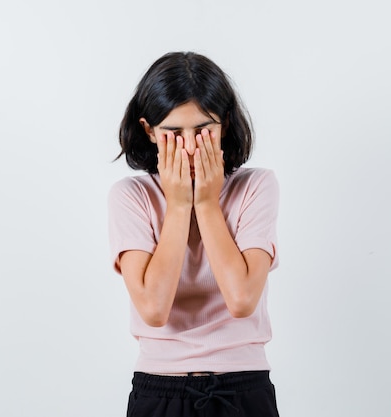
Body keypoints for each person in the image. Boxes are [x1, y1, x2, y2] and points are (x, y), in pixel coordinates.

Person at [108, 51, 280, 417]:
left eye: (203, 130)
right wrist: (179, 204)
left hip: (243, 388)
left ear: (225, 125)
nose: (189, 147)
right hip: (160, 389)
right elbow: (154, 309)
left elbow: (242, 300)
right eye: (173, 133)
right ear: (149, 131)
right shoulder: (131, 196)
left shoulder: (256, 187)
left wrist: (205, 201)